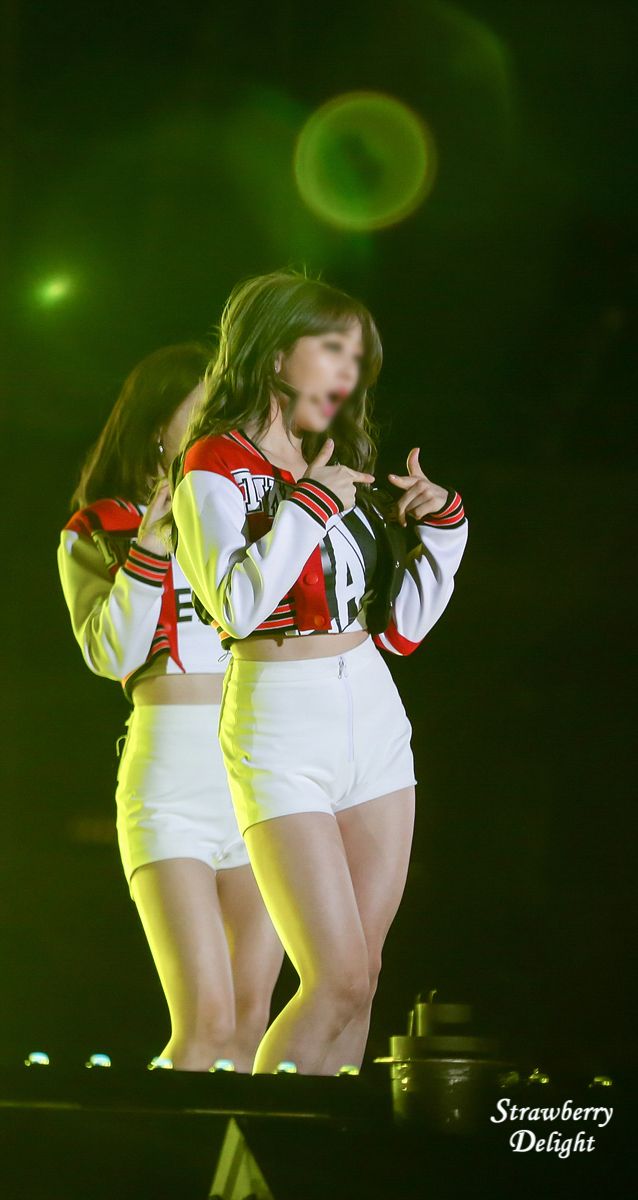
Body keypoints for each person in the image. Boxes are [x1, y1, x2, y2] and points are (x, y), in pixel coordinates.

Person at [172, 270, 469, 1076]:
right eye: (332, 348)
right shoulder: (213, 463)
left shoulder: (341, 458)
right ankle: (249, 1142)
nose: (348, 369)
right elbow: (237, 605)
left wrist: (442, 527)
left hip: (371, 705)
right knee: (331, 981)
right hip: (279, 714)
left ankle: (322, 1144)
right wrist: (307, 507)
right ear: (275, 354)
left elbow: (401, 629)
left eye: (357, 355)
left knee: (363, 980)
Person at [58, 344, 283, 1073]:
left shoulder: (250, 518)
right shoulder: (98, 527)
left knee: (250, 1027)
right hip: (170, 775)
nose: (222, 425)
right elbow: (109, 653)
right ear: (158, 425)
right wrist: (150, 552)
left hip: (258, 770)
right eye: (204, 409)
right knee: (206, 1024)